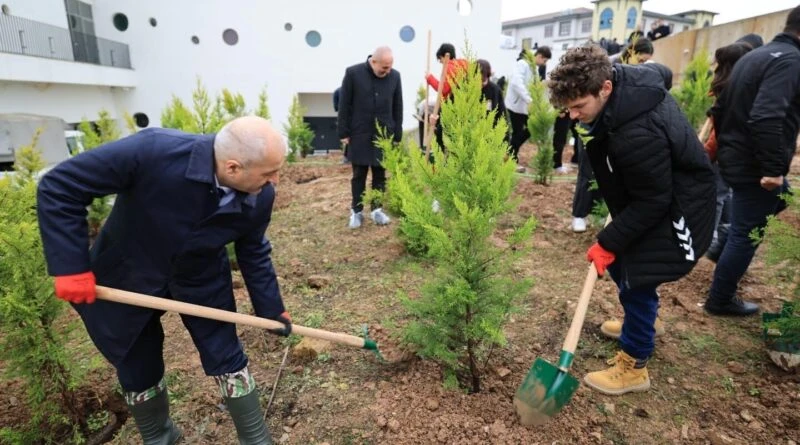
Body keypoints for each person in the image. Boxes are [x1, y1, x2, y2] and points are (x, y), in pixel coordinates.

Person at [37, 116, 291, 444]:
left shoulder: (261, 195)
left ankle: (256, 438)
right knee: (136, 361)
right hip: (127, 273)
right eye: (269, 172)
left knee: (225, 354)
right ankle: (160, 436)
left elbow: (253, 250)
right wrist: (70, 266)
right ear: (233, 168)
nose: (276, 180)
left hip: (201, 275)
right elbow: (61, 186)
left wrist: (271, 309)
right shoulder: (153, 151)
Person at [548, 45, 715, 395]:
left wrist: (608, 242)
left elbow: (654, 200)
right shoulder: (624, 95)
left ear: (605, 88)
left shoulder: (636, 131)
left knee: (638, 276)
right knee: (629, 270)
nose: (574, 116)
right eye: (568, 109)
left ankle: (635, 363)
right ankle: (639, 326)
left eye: (579, 107)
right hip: (653, 197)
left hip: (675, 209)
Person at [705, 8, 800, 316]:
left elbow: (718, 109)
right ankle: (720, 300)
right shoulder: (789, 61)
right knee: (747, 234)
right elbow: (766, 116)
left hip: (737, 157)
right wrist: (772, 168)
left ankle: (724, 243)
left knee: (784, 196)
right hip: (755, 165)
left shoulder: (755, 57)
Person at [703, 36, 762, 262]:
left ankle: (712, 238)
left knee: (718, 194)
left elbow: (719, 133)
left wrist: (706, 154)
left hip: (725, 152)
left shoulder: (729, 88)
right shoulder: (746, 85)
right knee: (726, 193)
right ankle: (722, 234)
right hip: (739, 154)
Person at [338, 46, 403, 229]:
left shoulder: (395, 77)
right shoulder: (353, 73)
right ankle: (356, 212)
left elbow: (397, 106)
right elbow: (345, 104)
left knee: (380, 175)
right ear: (373, 62)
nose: (387, 71)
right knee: (359, 174)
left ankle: (377, 210)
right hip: (360, 132)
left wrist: (396, 134)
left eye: (390, 67)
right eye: (384, 67)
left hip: (384, 133)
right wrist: (344, 132)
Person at [504, 46, 551, 165]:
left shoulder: (533, 68)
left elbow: (531, 86)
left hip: (524, 106)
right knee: (519, 131)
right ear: (539, 56)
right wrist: (529, 99)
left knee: (526, 130)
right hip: (516, 105)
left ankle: (511, 153)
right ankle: (511, 156)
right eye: (544, 61)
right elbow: (516, 83)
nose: (543, 64)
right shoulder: (522, 64)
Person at [425, 43, 469, 152]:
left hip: (450, 106)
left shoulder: (449, 67)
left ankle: (444, 157)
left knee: (441, 133)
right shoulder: (464, 64)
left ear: (444, 56)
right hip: (464, 105)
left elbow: (443, 89)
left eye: (440, 59)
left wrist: (429, 78)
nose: (441, 62)